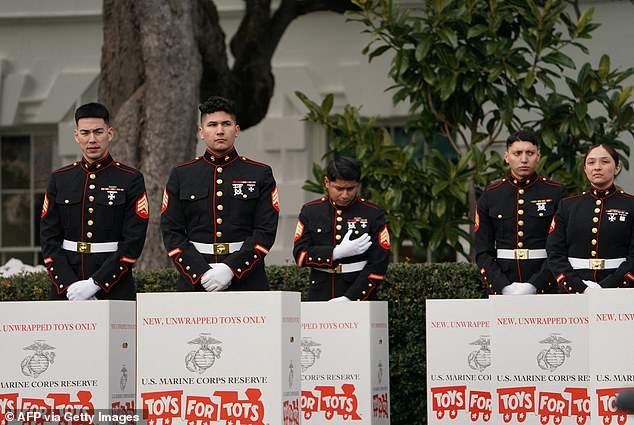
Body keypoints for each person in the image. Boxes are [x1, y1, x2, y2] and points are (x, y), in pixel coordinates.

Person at [161, 96, 279, 291]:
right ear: (201, 132)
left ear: (237, 130)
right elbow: (171, 231)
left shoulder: (259, 173)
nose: (220, 131)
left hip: (246, 279)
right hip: (196, 281)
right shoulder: (182, 174)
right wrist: (200, 271)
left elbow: (265, 231)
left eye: (226, 124)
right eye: (212, 124)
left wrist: (230, 269)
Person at [40, 102, 149, 300]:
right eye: (85, 133)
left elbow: (133, 241)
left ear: (110, 133)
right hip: (66, 286)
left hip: (115, 284)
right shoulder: (60, 179)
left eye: (98, 132)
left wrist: (96, 283)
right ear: (76, 136)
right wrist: (68, 284)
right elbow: (49, 239)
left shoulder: (130, 178)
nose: (92, 139)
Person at [475, 130, 567, 295]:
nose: (524, 159)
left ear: (538, 156)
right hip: (502, 282)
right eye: (517, 153)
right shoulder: (492, 194)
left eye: (530, 153)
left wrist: (535, 285)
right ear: (506, 156)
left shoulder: (555, 193)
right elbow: (483, 251)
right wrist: (502, 286)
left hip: (544, 284)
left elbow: (560, 248)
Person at [292, 156, 390, 301]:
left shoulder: (372, 213)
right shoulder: (311, 211)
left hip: (358, 292)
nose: (345, 195)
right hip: (321, 292)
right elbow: (300, 255)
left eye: (350, 189)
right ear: (326, 182)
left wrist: (351, 297)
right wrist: (335, 253)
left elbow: (379, 263)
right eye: (339, 188)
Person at [547, 144, 634, 293]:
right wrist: (579, 287)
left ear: (617, 168)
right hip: (574, 290)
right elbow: (555, 252)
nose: (597, 167)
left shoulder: (630, 204)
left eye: (605, 162)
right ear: (585, 169)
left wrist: (605, 287)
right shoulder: (567, 206)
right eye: (591, 162)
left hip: (619, 291)